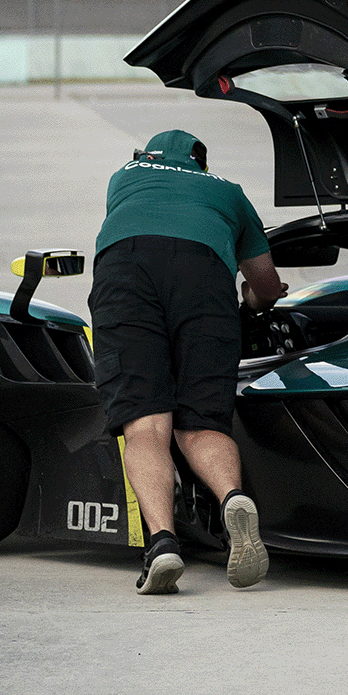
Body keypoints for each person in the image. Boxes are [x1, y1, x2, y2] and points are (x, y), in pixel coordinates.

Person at [90, 129, 288, 595]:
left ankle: (162, 544)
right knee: (201, 424)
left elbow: (142, 234)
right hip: (205, 276)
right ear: (200, 163)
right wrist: (253, 300)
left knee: (145, 426)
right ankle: (233, 498)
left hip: (126, 272)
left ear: (148, 155)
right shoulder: (229, 193)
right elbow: (265, 284)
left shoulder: (124, 177)